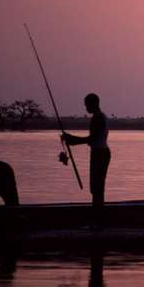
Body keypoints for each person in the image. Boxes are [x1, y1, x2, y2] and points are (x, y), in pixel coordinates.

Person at [62, 93, 110, 228]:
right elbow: (91, 138)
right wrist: (72, 139)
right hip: (98, 153)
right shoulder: (98, 117)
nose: (85, 107)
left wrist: (72, 140)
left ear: (94, 103)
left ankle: (98, 222)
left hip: (100, 154)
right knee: (96, 188)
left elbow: (92, 138)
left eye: (87, 105)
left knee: (97, 188)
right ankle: (98, 220)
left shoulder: (98, 118)